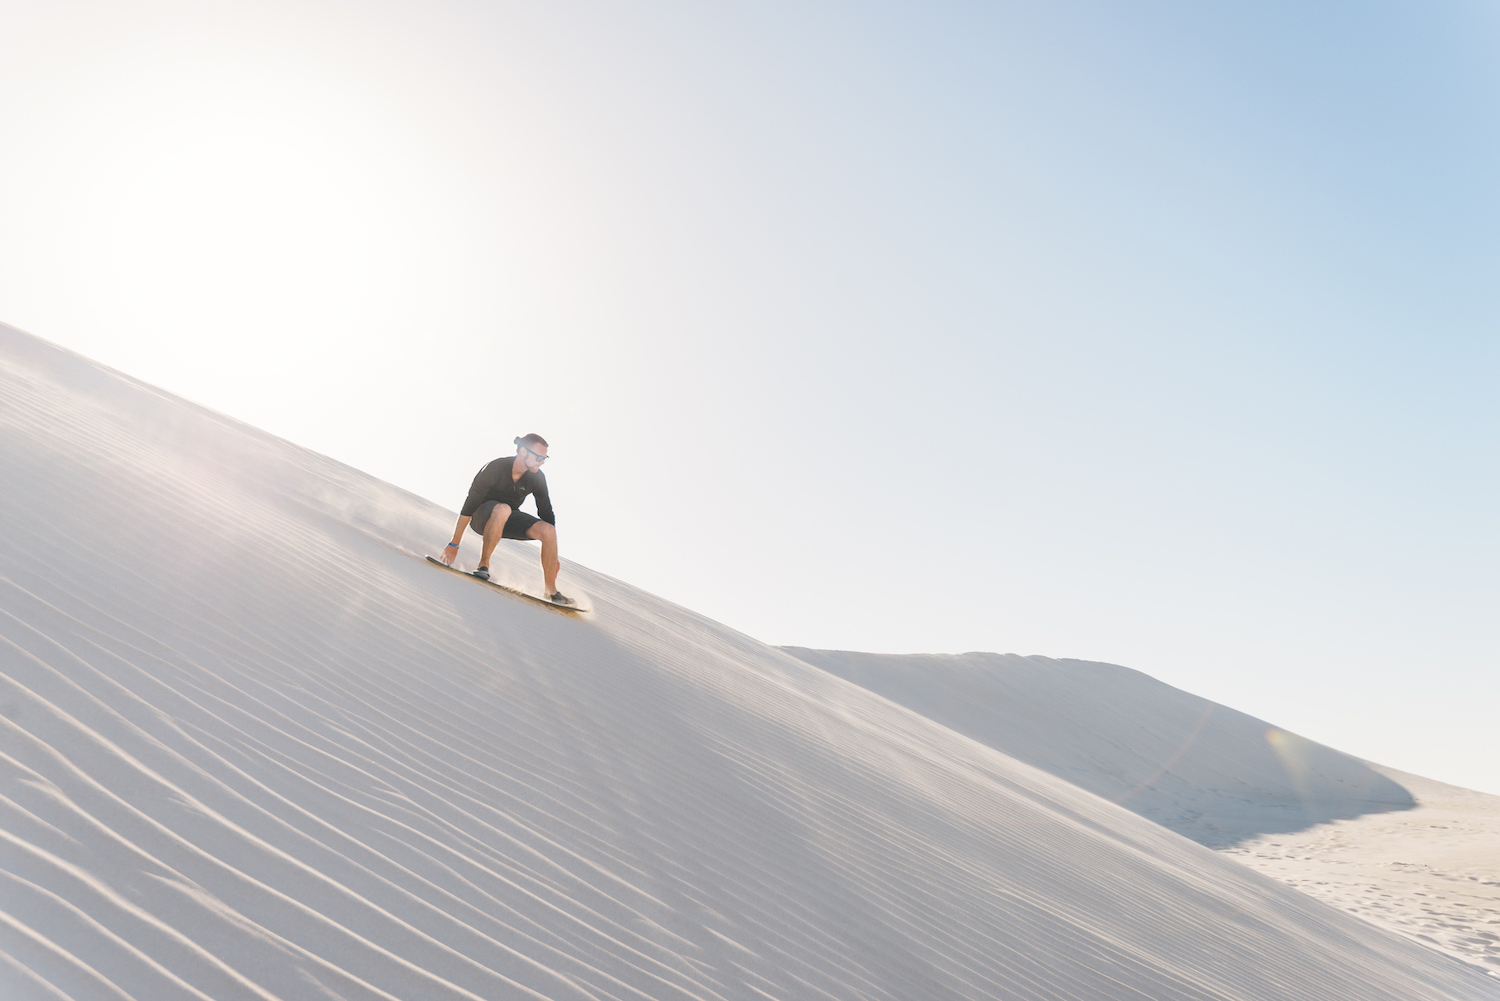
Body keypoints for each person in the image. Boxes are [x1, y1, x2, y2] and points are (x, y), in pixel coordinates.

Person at [439, 434, 575, 606]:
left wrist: (553, 556)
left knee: (548, 529)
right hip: (481, 518)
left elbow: (546, 512)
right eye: (539, 457)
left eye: (544, 458)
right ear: (523, 452)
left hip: (507, 518)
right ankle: (483, 566)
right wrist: (454, 543)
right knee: (503, 508)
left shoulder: (537, 477)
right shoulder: (495, 467)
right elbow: (469, 505)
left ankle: (551, 591)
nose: (542, 462)